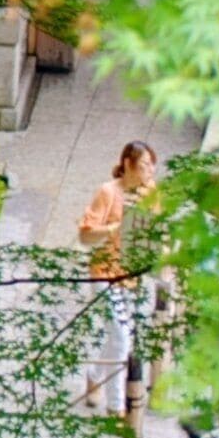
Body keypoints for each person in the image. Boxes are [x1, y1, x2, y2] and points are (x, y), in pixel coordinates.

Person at [78, 141, 161, 413]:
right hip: (104, 273)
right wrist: (113, 228)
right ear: (128, 163)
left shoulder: (151, 194)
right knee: (122, 338)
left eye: (152, 164)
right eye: (145, 163)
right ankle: (116, 405)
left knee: (118, 337)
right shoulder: (108, 192)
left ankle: (95, 375)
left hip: (132, 276)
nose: (151, 170)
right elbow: (86, 235)